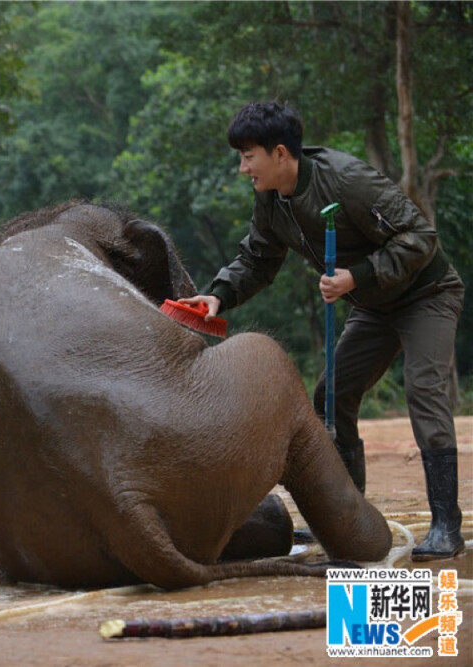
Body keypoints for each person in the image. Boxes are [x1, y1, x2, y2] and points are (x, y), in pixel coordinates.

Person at [179, 101, 465, 562]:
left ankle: (446, 527)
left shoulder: (347, 179)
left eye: (247, 156)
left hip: (425, 294)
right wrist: (218, 296)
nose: (241, 168)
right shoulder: (272, 200)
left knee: (423, 389)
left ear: (279, 153)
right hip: (373, 306)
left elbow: (419, 237)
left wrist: (357, 275)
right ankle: (349, 521)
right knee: (332, 393)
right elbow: (257, 259)